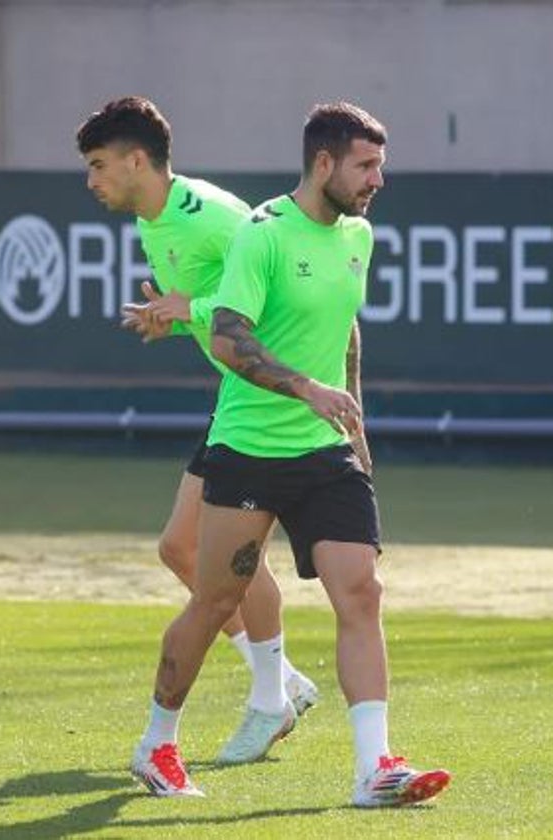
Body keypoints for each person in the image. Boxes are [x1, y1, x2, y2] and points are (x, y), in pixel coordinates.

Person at [134, 102, 451, 807]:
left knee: (361, 594)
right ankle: (158, 742)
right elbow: (226, 337)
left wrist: (354, 426)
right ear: (323, 163)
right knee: (215, 600)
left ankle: (374, 769)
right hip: (247, 449)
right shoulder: (263, 235)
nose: (377, 180)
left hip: (324, 452)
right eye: (366, 166)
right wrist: (305, 388)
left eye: (381, 166)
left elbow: (345, 335)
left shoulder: (359, 237)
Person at [76, 96, 319, 774]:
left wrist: (194, 306)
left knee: (215, 559)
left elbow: (278, 296)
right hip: (239, 398)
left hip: (268, 401)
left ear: (136, 161)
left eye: (98, 166)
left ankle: (275, 693)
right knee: (184, 549)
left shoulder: (213, 216)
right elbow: (218, 312)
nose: (91, 180)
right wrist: (176, 320)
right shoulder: (155, 223)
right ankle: (282, 685)